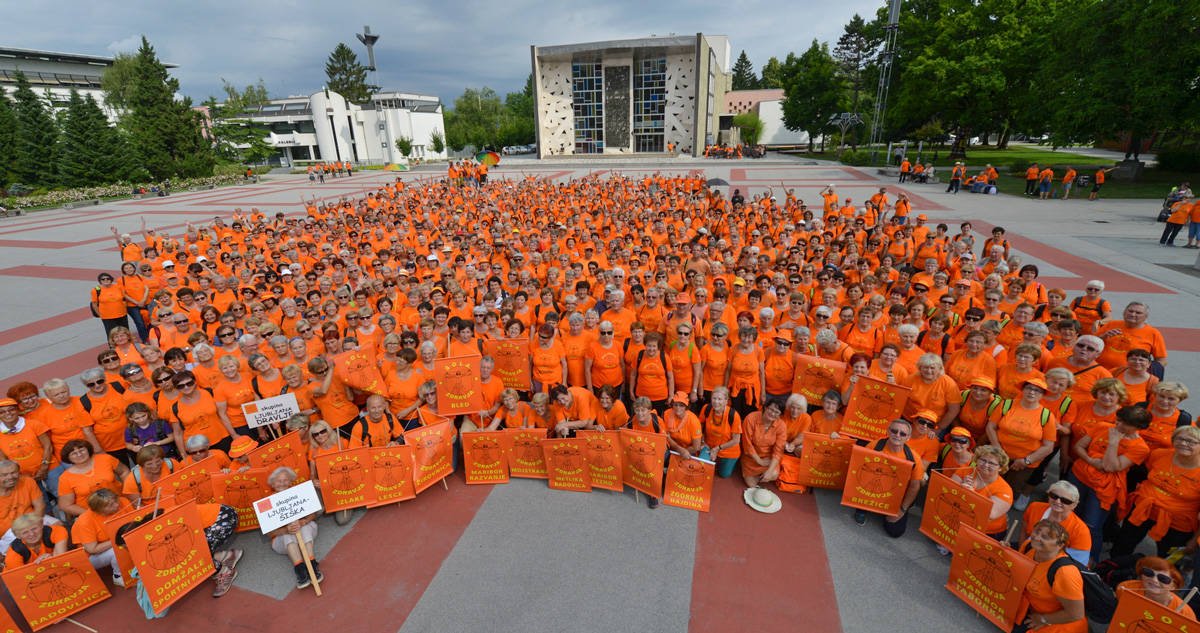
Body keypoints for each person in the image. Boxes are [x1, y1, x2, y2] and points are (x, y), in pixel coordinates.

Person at [1067, 405, 1151, 563]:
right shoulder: (1102, 426)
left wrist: (1113, 443)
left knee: (1092, 525)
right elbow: (1078, 446)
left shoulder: (1140, 448)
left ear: (1139, 427)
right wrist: (1091, 460)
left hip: (1103, 488)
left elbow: (1111, 467)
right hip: (1079, 476)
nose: (1118, 425)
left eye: (1125, 424)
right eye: (1118, 420)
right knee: (1069, 514)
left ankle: (1090, 561)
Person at [1111, 425, 1200, 558]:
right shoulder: (1159, 454)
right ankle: (1111, 572)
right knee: (1121, 547)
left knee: (1167, 560)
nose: (1183, 443)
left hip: (1177, 523)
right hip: (1142, 510)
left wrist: (1194, 540)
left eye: (1191, 441)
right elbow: (1147, 473)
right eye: (1179, 439)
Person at [853, 419, 925, 537]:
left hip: (896, 494)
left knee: (895, 531)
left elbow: (914, 486)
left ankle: (887, 510)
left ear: (908, 438)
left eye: (902, 434)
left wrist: (902, 509)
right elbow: (859, 470)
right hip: (871, 486)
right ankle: (862, 508)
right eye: (894, 431)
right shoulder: (874, 446)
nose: (897, 435)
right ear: (888, 431)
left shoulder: (914, 458)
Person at [1019, 520, 1087, 632]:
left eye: (1045, 537)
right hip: (1031, 610)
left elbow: (1076, 614)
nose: (1036, 537)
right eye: (1036, 531)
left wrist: (1043, 619)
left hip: (1058, 623)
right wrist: (1004, 552)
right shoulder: (1029, 547)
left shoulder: (1065, 572)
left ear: (1060, 545)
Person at [265, 466, 324, 589]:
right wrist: (286, 529)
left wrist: (304, 521)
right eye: (278, 480)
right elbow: (270, 533)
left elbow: (313, 515)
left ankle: (311, 564)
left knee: (304, 528)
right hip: (281, 542)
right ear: (272, 483)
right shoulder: (266, 502)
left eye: (286, 480)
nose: (282, 483)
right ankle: (300, 569)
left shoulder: (299, 493)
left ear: (291, 481)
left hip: (306, 532)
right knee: (288, 533)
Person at [1019, 480, 1091, 565]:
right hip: (1027, 555)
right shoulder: (1034, 507)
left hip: (1054, 567)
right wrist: (1020, 554)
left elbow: (1078, 562)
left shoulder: (1080, 530)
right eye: (1054, 496)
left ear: (1074, 505)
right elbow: (1024, 531)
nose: (1058, 502)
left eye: (1065, 501)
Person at [57, 439, 129, 519]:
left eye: (82, 450)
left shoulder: (105, 459)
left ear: (88, 450)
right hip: (92, 515)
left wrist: (128, 491)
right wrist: (91, 514)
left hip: (119, 505)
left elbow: (124, 472)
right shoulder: (65, 478)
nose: (79, 454)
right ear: (68, 458)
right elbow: (66, 505)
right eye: (74, 453)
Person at [1115, 557, 1195, 619]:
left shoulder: (1185, 613)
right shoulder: (1127, 588)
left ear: (1173, 586)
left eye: (1163, 578)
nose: (1154, 580)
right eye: (1148, 573)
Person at [740, 400, 787, 488]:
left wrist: (770, 470)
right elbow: (747, 445)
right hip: (751, 457)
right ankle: (752, 473)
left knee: (774, 474)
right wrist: (759, 461)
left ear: (780, 415)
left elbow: (778, 450)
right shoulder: (751, 418)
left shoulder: (782, 426)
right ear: (765, 408)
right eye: (771, 409)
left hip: (768, 457)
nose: (772, 414)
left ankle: (763, 475)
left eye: (776, 412)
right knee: (751, 484)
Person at [4, 513, 68, 568]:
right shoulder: (14, 553)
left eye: (34, 528)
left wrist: (50, 556)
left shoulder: (57, 531)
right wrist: (37, 565)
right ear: (18, 536)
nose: (32, 534)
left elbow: (61, 559)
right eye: (25, 532)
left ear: (41, 525)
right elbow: (22, 578)